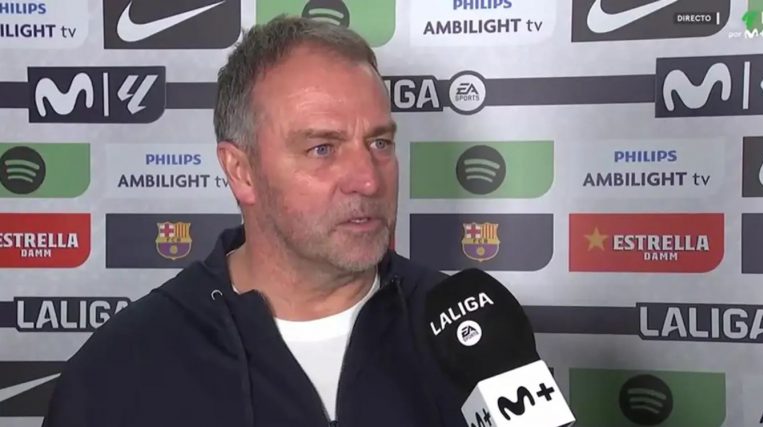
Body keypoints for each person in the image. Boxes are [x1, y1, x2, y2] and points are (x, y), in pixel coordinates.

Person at [42, 15, 466, 427]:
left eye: (380, 142)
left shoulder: (472, 330)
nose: (369, 180)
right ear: (241, 171)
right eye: (322, 149)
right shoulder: (120, 372)